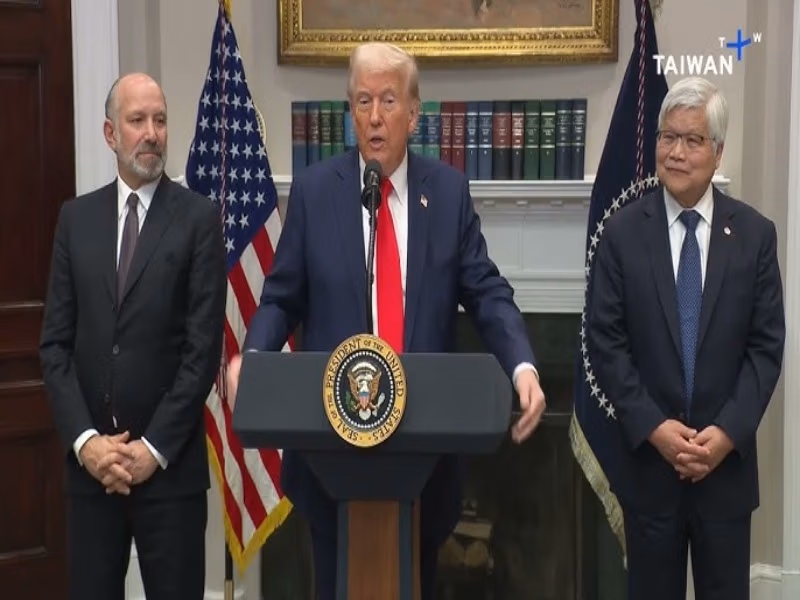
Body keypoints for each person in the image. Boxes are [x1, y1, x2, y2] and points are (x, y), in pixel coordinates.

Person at [225, 42, 546, 599]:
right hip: (330, 447)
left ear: (414, 114)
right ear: (350, 112)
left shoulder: (447, 193)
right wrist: (253, 360)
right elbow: (280, 298)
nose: (375, 117)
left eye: (389, 101)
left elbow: (487, 292)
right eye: (363, 101)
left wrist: (522, 366)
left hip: (422, 455)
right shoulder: (316, 192)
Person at [587, 76, 785, 600]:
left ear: (717, 153)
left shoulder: (755, 236)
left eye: (692, 140)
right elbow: (605, 342)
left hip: (725, 473)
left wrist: (725, 434)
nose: (676, 152)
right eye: (667, 137)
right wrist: (656, 428)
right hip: (650, 471)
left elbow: (766, 349)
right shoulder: (621, 233)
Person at [39, 73, 227, 600]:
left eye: (160, 120)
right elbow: (55, 346)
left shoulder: (199, 219)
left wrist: (152, 449)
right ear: (110, 133)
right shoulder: (75, 219)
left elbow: (201, 353)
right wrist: (86, 444)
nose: (151, 133)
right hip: (91, 475)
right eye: (137, 120)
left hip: (170, 473)